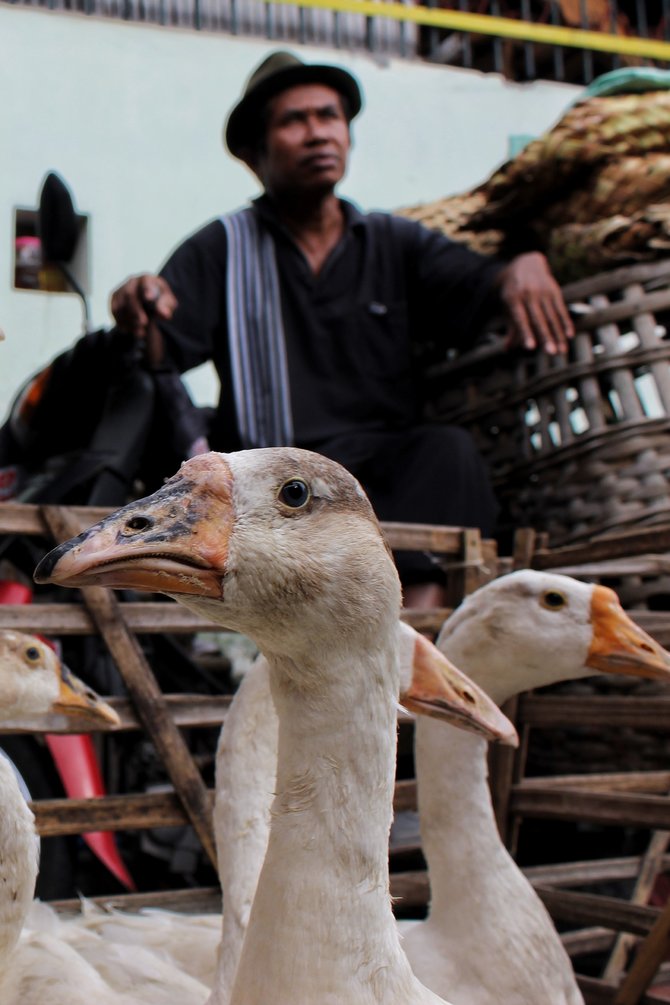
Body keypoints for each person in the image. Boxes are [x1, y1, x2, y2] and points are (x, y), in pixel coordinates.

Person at [110, 50, 574, 610]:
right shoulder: (221, 248)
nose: (317, 133)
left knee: (447, 453)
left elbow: (479, 285)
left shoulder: (393, 243)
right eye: (294, 120)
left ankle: (409, 640)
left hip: (384, 475)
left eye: (329, 117)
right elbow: (160, 347)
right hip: (277, 483)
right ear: (257, 155)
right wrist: (139, 304)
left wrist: (522, 262)